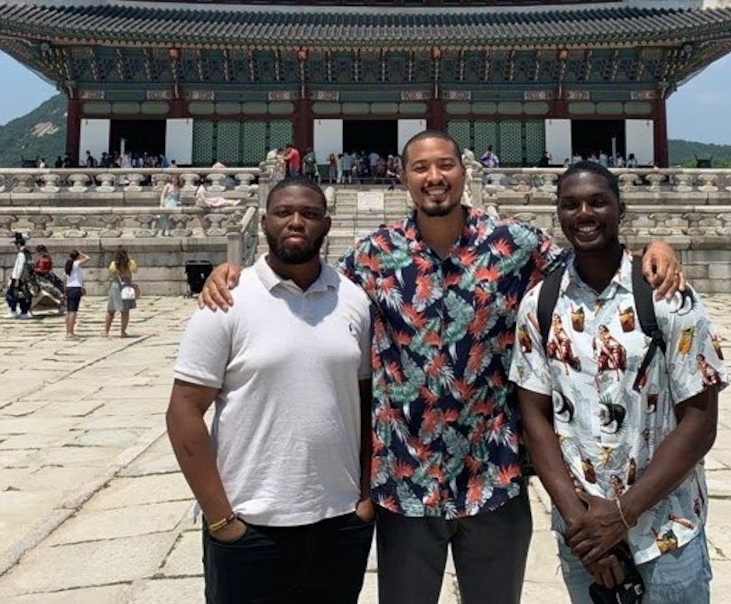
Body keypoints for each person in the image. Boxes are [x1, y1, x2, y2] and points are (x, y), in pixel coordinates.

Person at [200, 130, 683, 604]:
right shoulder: (373, 256)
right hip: (405, 487)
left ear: (463, 172)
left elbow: (590, 262)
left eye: (445, 165)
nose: (435, 177)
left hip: (494, 479)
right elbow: (306, 280)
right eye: (421, 167)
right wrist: (237, 276)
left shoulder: (513, 245)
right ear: (403, 177)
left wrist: (652, 249)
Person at [511, 161, 727, 603]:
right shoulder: (540, 303)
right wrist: (581, 524)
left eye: (597, 202)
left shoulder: (667, 298)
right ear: (558, 214)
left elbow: (700, 421)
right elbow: (535, 418)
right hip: (585, 533)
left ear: (620, 209)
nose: (584, 213)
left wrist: (622, 515)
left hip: (668, 527)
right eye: (570, 205)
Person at [166, 177, 376, 603]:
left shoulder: (353, 299)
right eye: (283, 212)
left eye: (310, 214)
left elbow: (367, 403)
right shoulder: (227, 301)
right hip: (250, 525)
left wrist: (366, 498)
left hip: (339, 522)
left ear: (327, 224)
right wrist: (221, 519)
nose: (296, 222)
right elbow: (184, 411)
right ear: (263, 222)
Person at [104, 246, 138, 338]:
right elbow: (135, 271)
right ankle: (123, 332)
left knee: (111, 310)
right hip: (126, 286)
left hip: (116, 286)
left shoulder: (113, 264)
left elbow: (111, 272)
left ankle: (106, 331)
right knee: (125, 311)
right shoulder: (131, 263)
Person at [5, 232, 34, 319]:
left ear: (18, 244)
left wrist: (15, 278)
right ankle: (24, 312)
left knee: (11, 295)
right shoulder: (28, 253)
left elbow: (19, 267)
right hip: (27, 278)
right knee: (24, 295)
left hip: (19, 279)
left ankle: (14, 311)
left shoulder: (21, 254)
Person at [63, 249, 90, 340]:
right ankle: (70, 333)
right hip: (75, 288)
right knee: (73, 311)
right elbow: (88, 258)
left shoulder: (68, 265)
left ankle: (68, 331)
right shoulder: (76, 264)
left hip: (69, 288)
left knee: (69, 311)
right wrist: (81, 253)